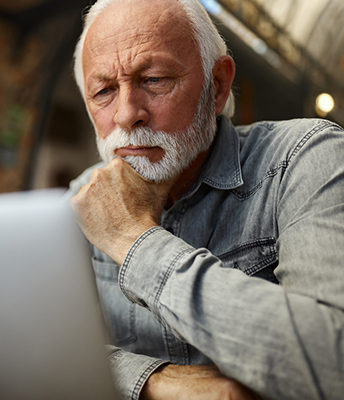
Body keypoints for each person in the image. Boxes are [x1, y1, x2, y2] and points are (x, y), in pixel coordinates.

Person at [66, 0, 344, 399]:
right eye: (104, 90)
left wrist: (133, 240)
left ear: (217, 86)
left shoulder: (304, 157)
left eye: (155, 79)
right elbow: (28, 349)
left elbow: (333, 365)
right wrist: (155, 382)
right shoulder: (80, 201)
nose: (127, 114)